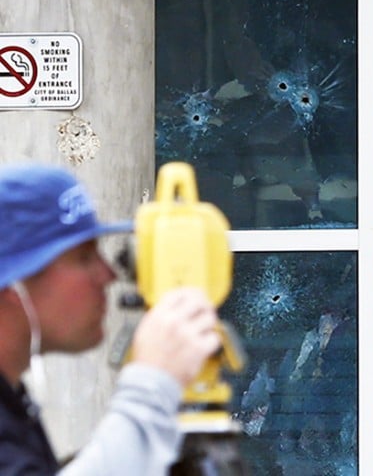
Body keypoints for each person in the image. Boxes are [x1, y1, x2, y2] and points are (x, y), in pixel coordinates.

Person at [0, 163, 223, 475]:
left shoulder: (12, 403)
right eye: (85, 257)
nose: (109, 274)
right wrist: (150, 387)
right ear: (14, 282)